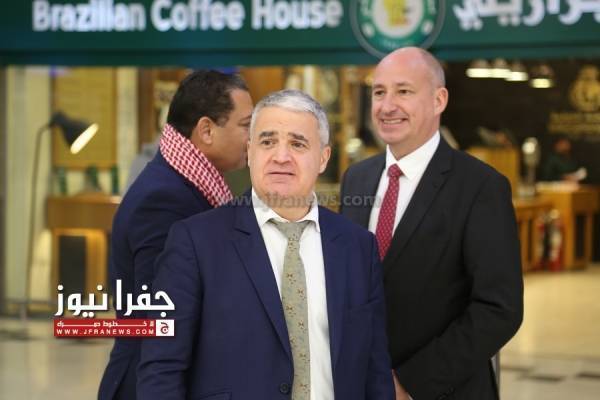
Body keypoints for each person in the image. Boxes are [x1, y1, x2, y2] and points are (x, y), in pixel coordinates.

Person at [137, 89, 394, 400]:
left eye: (298, 144)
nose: (281, 156)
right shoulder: (195, 242)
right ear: (250, 152)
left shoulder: (357, 248)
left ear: (323, 158)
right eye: (267, 142)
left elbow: (375, 372)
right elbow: (162, 370)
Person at [340, 47, 523, 400]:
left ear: (439, 100)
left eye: (403, 91)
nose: (387, 106)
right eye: (379, 92)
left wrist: (410, 384)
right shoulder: (356, 179)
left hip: (443, 390)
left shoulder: (481, 187)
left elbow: (499, 309)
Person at [98, 70, 253, 400]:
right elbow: (162, 322)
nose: (252, 138)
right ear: (206, 130)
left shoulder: (186, 183)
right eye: (245, 126)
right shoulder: (164, 200)